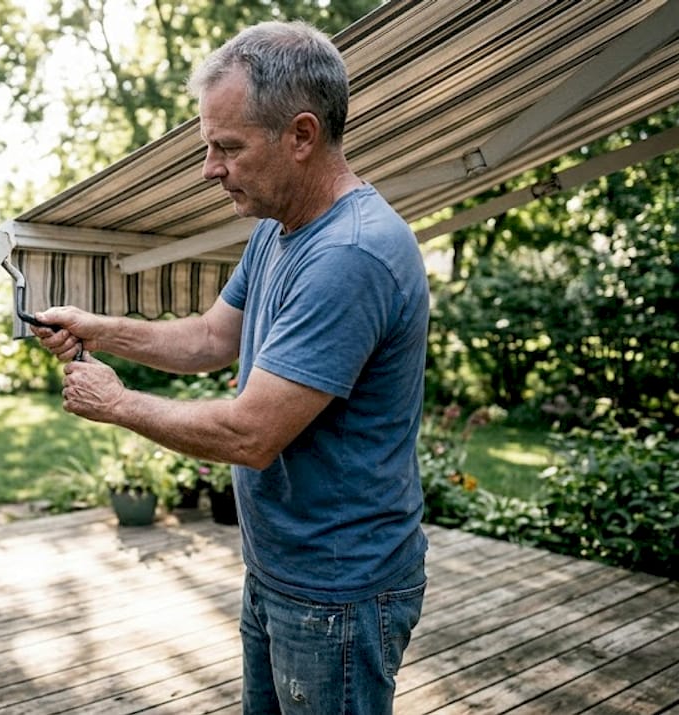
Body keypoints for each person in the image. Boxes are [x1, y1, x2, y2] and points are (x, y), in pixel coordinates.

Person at [31, 20, 430, 715]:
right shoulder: (280, 227)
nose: (209, 168)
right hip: (280, 567)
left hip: (337, 588)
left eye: (228, 147)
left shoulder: (352, 255)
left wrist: (119, 403)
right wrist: (102, 329)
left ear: (301, 136)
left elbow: (251, 434)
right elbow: (211, 336)